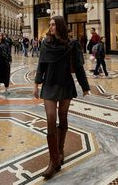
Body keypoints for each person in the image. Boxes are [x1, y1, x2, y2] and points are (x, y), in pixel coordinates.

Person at [33, 16, 90, 179]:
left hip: (65, 84)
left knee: (63, 117)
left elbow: (79, 68)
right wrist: (36, 84)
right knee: (50, 118)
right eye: (50, 24)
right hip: (49, 84)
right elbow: (41, 65)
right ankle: (53, 160)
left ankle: (60, 150)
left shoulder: (72, 45)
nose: (51, 27)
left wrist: (85, 87)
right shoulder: (46, 44)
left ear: (60, 26)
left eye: (53, 24)